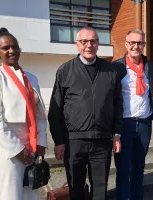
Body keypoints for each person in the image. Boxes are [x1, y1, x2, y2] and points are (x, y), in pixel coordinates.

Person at [48, 26, 123, 200]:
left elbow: (118, 104)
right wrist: (59, 141)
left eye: (93, 41)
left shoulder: (111, 70)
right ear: (77, 45)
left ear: (98, 44)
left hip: (102, 141)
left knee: (100, 190)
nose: (89, 45)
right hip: (74, 142)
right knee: (75, 189)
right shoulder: (65, 70)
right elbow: (55, 109)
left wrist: (117, 133)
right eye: (84, 41)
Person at [0, 28, 47, 200]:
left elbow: (40, 115)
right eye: (5, 48)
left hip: (31, 149)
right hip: (8, 153)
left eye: (14, 46)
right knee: (11, 196)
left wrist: (41, 144)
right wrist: (17, 150)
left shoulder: (32, 79)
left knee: (31, 195)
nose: (11, 51)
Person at [114, 29, 153, 200]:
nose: (135, 46)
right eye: (132, 43)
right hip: (124, 124)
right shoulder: (116, 67)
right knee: (123, 169)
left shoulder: (149, 67)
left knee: (139, 168)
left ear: (144, 45)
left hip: (145, 123)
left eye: (139, 43)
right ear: (126, 44)